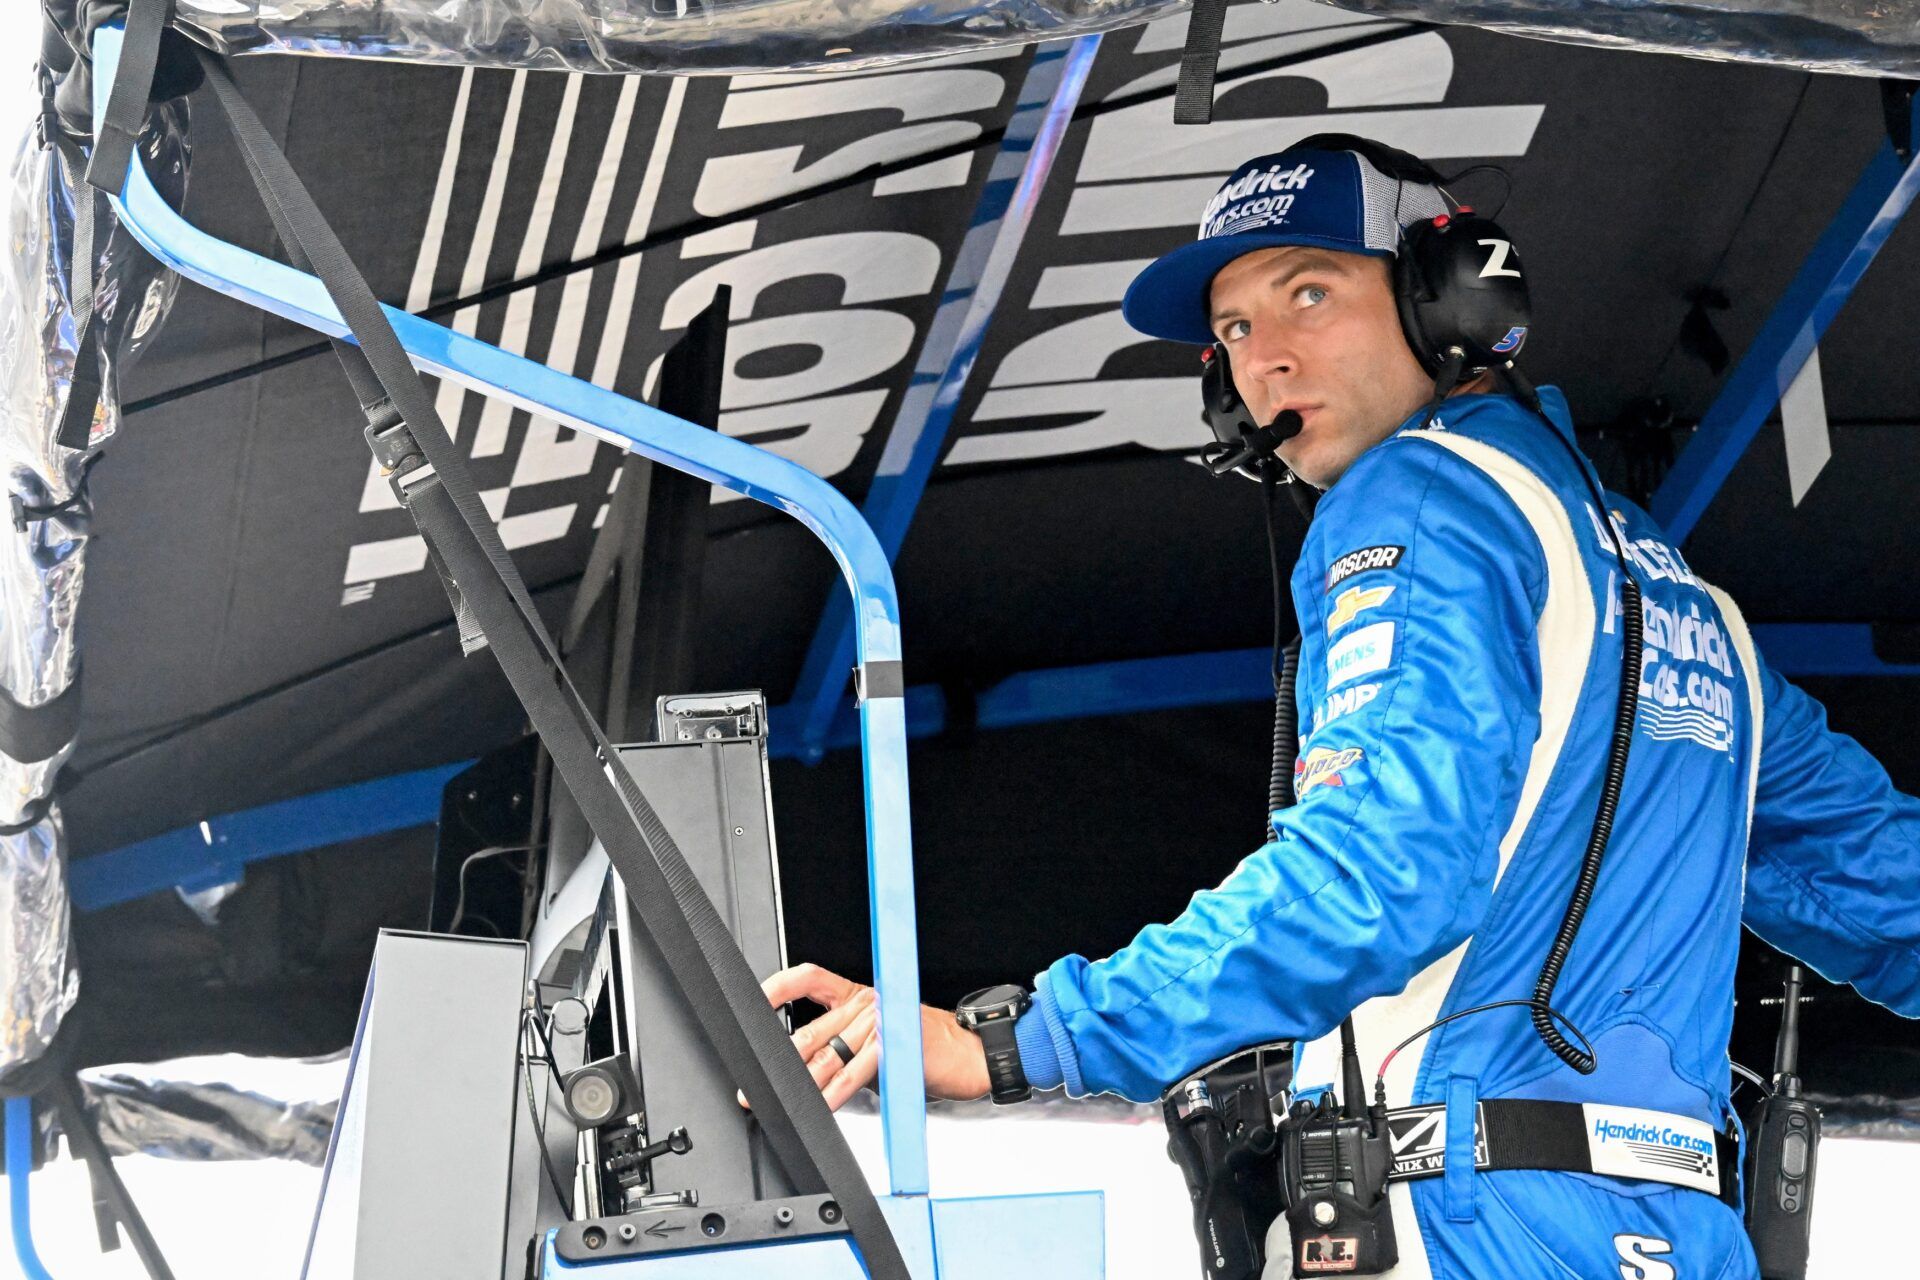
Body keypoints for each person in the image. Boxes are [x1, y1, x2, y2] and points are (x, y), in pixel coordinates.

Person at [760, 137, 1920, 1279]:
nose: (1262, 359)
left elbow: (1383, 868)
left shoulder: (1417, 496)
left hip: (1466, 1217)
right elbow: (1890, 891)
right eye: (1233, 330)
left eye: (1307, 291)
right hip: (1682, 1235)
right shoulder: (1684, 600)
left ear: (1450, 299)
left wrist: (1022, 1036)